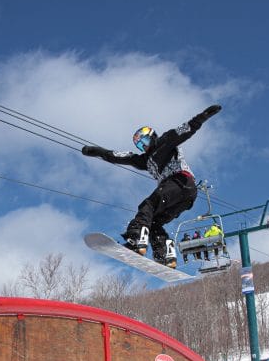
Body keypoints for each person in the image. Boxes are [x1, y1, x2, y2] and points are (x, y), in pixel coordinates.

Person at [82, 105, 222, 265]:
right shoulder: (145, 160)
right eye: (140, 145)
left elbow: (184, 131)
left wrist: (202, 117)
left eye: (146, 140)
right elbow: (119, 156)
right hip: (184, 197)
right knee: (154, 222)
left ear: (153, 136)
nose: (145, 146)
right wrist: (97, 151)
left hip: (180, 181)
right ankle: (165, 253)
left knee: (147, 206)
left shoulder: (165, 141)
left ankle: (135, 238)